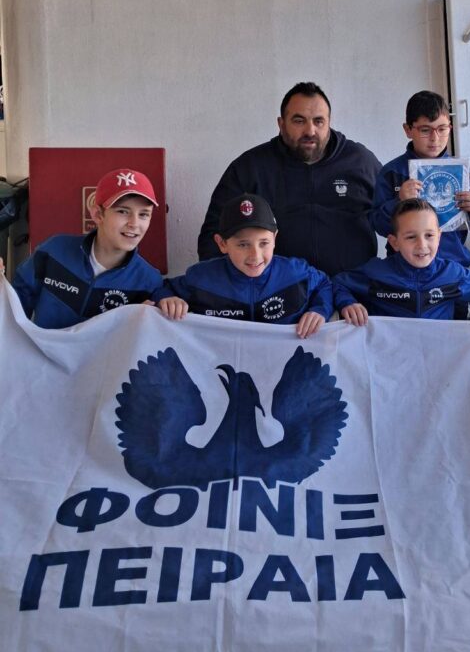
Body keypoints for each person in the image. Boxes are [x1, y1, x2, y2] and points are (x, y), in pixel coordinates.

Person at [155, 193, 334, 449]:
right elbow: (165, 289)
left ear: (275, 238)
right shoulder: (202, 278)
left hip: (282, 382)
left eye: (264, 243)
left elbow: (325, 284)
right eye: (242, 244)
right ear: (222, 244)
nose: (255, 255)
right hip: (220, 384)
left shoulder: (296, 273)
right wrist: (167, 299)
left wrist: (319, 310)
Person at [197, 82, 381, 276]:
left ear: (329, 122)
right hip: (278, 290)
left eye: (319, 121)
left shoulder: (361, 162)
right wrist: (233, 288)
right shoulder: (250, 168)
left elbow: (397, 223)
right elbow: (215, 236)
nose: (310, 131)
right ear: (281, 123)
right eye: (299, 121)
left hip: (353, 288)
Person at [10, 168, 162, 328]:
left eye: (144, 214)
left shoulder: (149, 281)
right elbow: (12, 309)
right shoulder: (54, 251)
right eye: (123, 211)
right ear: (97, 214)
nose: (134, 223)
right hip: (42, 345)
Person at [333, 198, 470, 334]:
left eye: (429, 235)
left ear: (439, 237)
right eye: (411, 237)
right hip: (388, 361)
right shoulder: (376, 272)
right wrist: (348, 303)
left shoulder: (452, 273)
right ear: (394, 242)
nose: (422, 245)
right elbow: (338, 284)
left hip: (438, 360)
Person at [370, 90, 470, 265]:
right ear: (408, 130)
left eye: (442, 129)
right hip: (405, 267)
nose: (435, 138)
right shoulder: (392, 172)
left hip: (452, 264)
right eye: (425, 130)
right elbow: (378, 225)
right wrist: (398, 201)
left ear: (450, 128)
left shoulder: (462, 173)